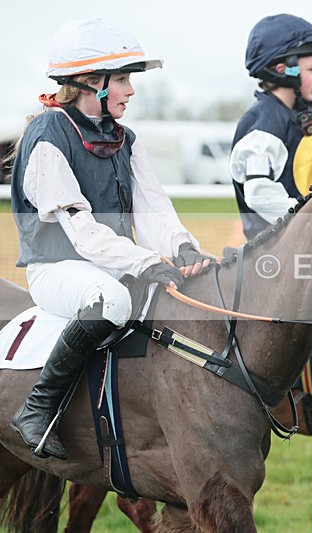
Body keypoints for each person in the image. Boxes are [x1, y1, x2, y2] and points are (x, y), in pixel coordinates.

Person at [8, 18, 213, 460]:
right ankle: (36, 408)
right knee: (113, 302)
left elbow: (153, 206)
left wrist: (182, 246)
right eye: (121, 79)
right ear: (89, 83)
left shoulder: (124, 137)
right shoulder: (48, 136)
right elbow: (82, 232)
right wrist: (143, 262)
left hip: (112, 263)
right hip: (57, 270)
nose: (130, 89)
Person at [230, 13, 312, 240]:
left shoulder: (306, 117)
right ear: (283, 70)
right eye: (311, 69)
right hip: (273, 258)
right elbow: (260, 196)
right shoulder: (263, 128)